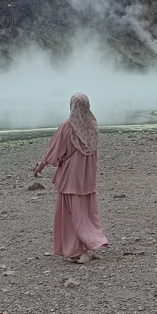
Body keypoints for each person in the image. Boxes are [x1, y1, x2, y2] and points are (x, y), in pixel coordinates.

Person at [33, 93, 108, 263]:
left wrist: (41, 166)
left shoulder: (67, 127)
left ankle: (75, 250)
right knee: (85, 213)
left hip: (70, 178)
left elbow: (54, 151)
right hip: (87, 179)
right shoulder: (93, 126)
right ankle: (91, 242)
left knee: (70, 214)